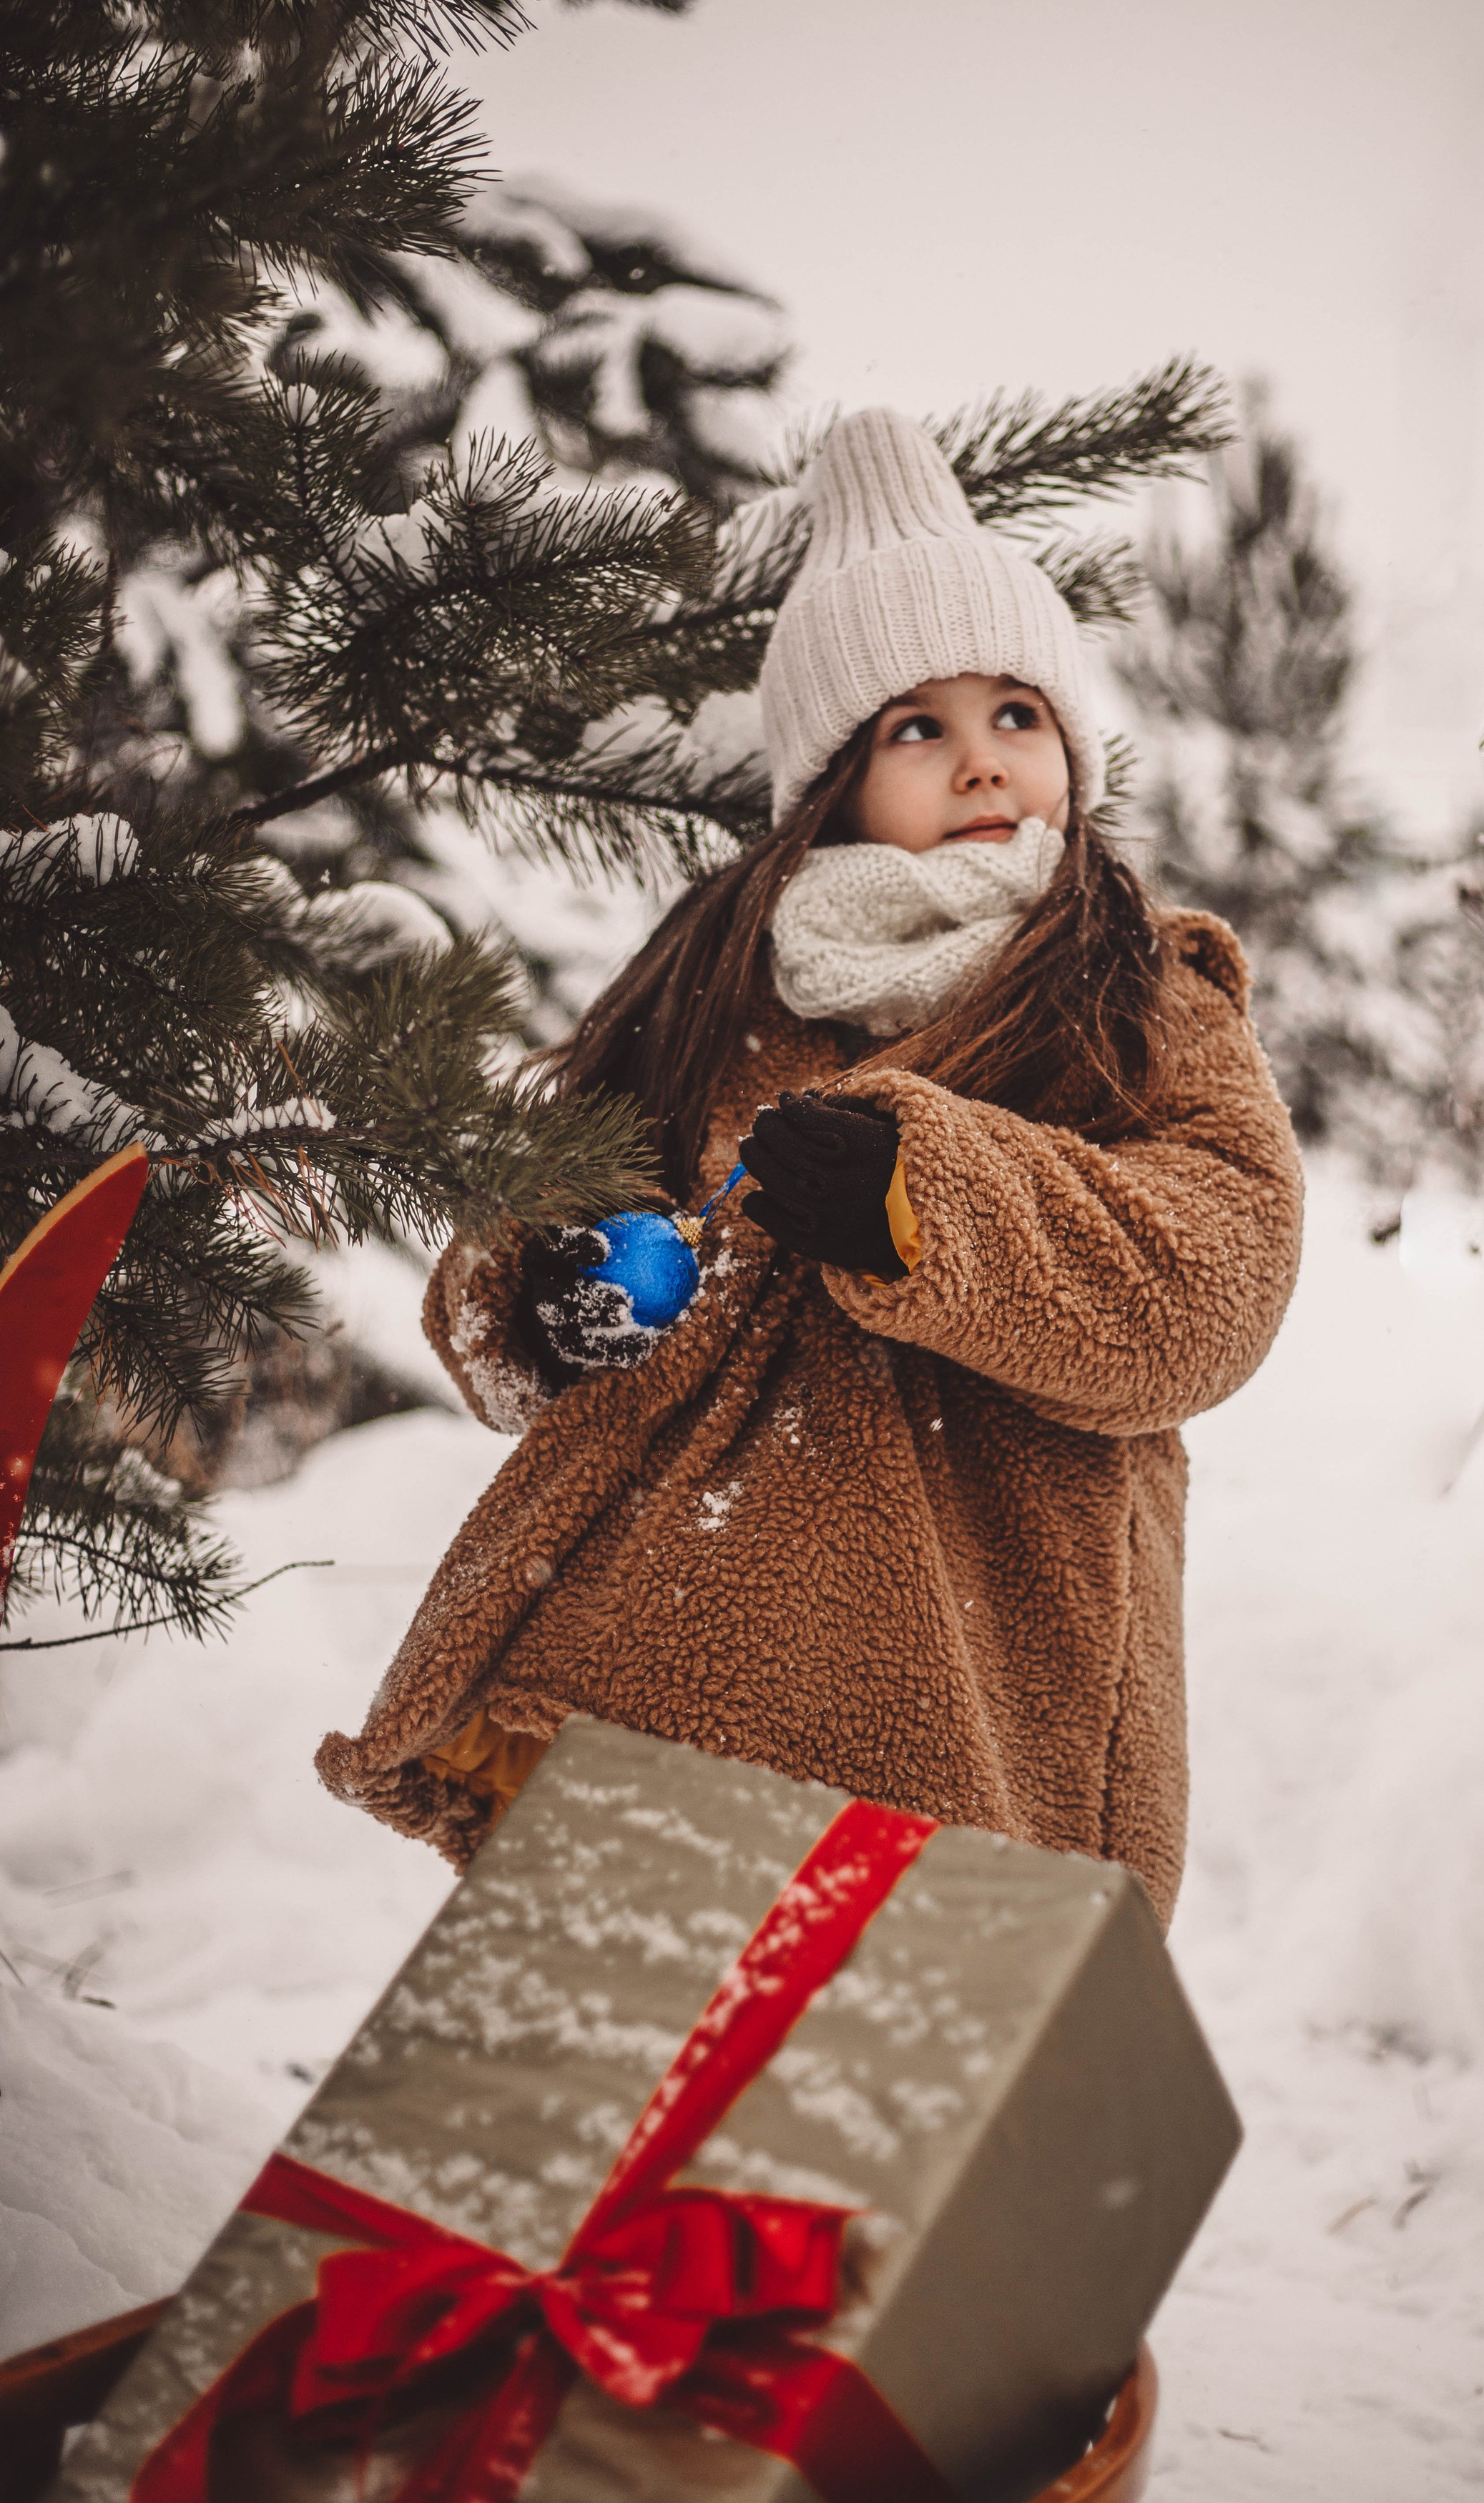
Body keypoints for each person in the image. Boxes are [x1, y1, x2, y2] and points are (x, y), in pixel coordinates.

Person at [316, 410, 1302, 1926]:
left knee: (896, 2101)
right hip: (675, 1652)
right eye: (916, 727)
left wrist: (925, 1199)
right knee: (630, 2077)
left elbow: (1206, 1284)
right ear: (835, 778)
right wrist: (546, 1292)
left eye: (1014, 715)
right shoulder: (722, 989)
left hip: (984, 1666)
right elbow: (529, 1219)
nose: (979, 759)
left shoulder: (1130, 993)